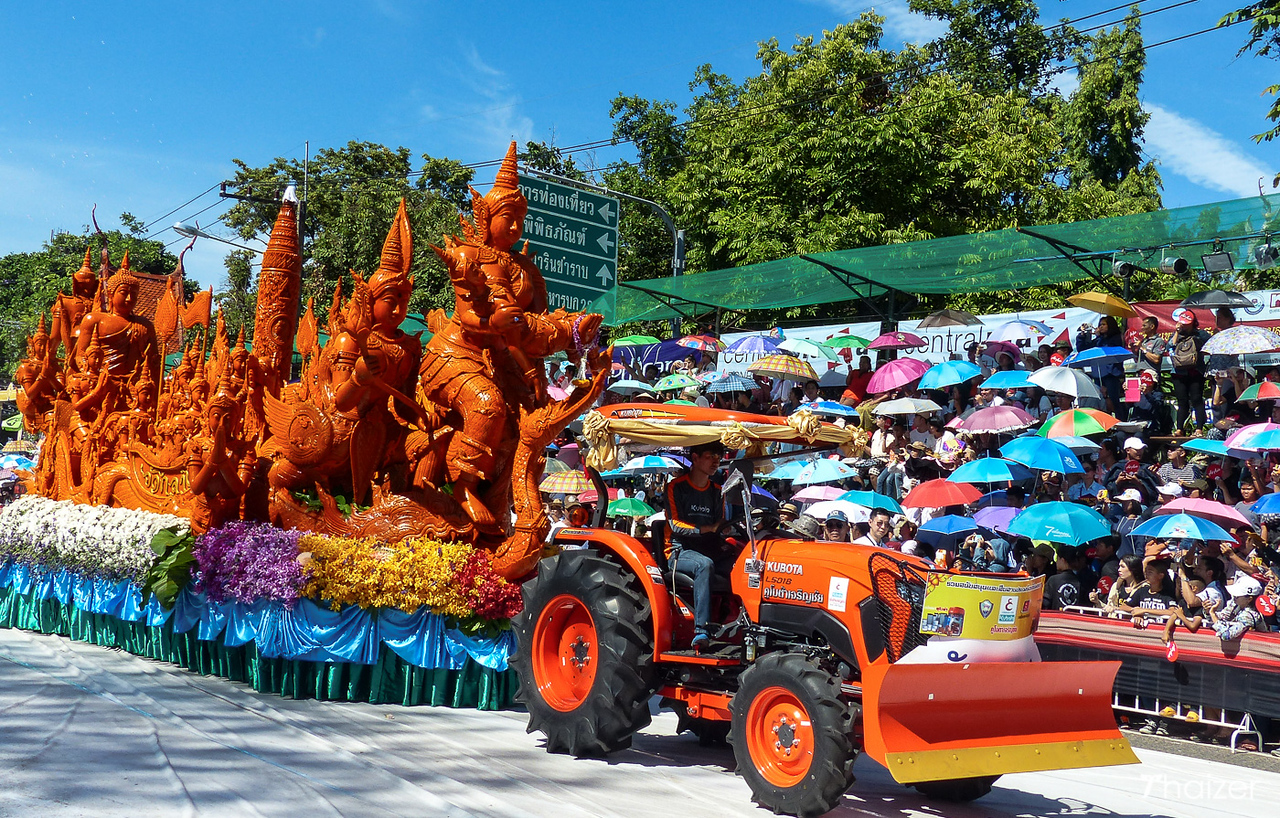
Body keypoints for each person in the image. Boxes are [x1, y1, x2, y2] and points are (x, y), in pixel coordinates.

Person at [665, 440, 730, 650]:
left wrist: (721, 530)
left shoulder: (718, 491)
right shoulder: (676, 487)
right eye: (710, 456)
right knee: (704, 565)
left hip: (709, 547)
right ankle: (701, 630)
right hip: (680, 551)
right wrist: (708, 528)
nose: (715, 462)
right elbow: (675, 525)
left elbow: (718, 524)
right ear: (695, 457)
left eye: (718, 458)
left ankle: (734, 622)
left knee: (745, 564)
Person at [1169, 309, 1208, 432]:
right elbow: (1170, 346)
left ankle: (1199, 428)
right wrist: (1177, 332)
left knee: (1197, 399)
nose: (1184, 326)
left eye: (1186, 323)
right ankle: (1180, 428)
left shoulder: (1201, 335)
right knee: (1182, 401)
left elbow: (1212, 344)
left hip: (1195, 372)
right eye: (1182, 323)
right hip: (1178, 373)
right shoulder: (1177, 335)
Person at [1206, 573, 1267, 640]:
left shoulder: (1249, 616)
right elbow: (1223, 617)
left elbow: (1226, 635)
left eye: (1237, 596)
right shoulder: (1236, 604)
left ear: (1249, 599)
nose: (1234, 597)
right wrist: (1209, 611)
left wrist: (1213, 615)